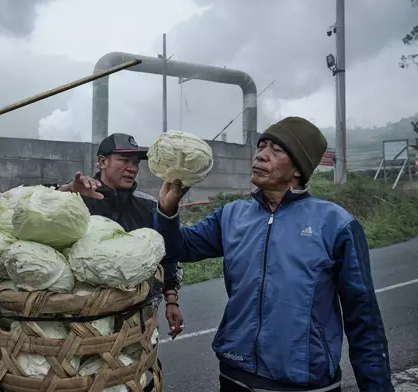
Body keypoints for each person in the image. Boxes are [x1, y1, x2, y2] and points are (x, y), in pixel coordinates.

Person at [154, 117, 393, 392]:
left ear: (298, 168)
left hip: (305, 383)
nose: (260, 155)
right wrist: (167, 212)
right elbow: (177, 248)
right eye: (261, 146)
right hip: (235, 376)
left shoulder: (336, 225)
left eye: (276, 149)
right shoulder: (232, 215)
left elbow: (364, 321)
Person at [52, 132, 185, 338]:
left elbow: (167, 255)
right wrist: (67, 190)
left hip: (135, 317)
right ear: (102, 162)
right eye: (124, 160)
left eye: (135, 163)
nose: (132, 168)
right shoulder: (76, 199)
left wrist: (171, 299)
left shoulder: (148, 206)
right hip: (82, 320)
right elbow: (35, 211)